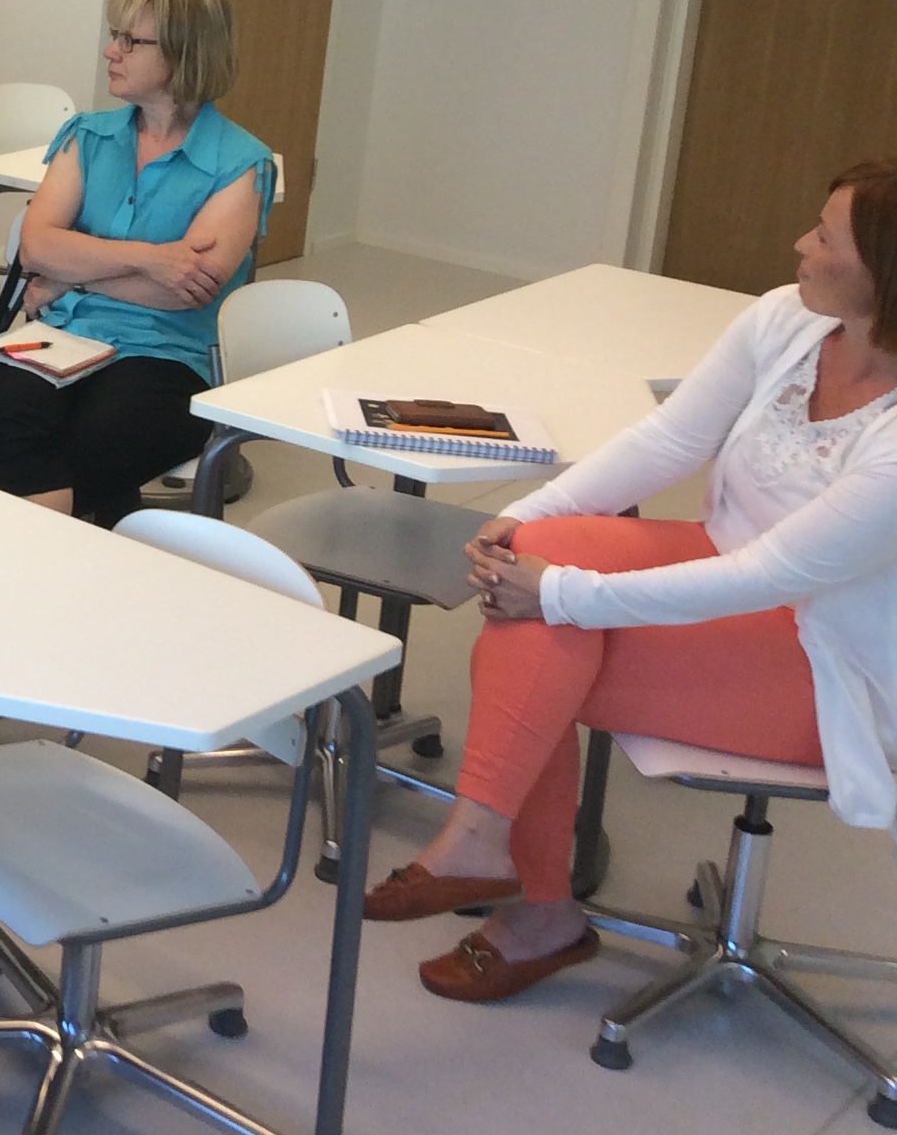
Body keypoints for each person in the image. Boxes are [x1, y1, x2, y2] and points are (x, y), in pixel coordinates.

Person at [362, 162, 897, 1003]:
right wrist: (522, 517)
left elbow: (773, 574)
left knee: (541, 643)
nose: (801, 243)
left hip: (829, 656)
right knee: (535, 562)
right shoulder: (788, 319)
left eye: (827, 237)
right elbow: (669, 440)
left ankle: (524, 892)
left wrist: (561, 593)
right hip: (724, 566)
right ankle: (493, 855)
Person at [0, 0, 271, 528]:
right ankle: (71, 550)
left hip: (168, 353)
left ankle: (28, 554)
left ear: (183, 52)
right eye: (115, 36)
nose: (111, 51)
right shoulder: (88, 135)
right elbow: (36, 246)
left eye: (131, 41)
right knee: (13, 403)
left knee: (93, 439)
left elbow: (184, 292)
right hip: (62, 332)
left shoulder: (241, 163)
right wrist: (151, 258)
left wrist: (73, 275)